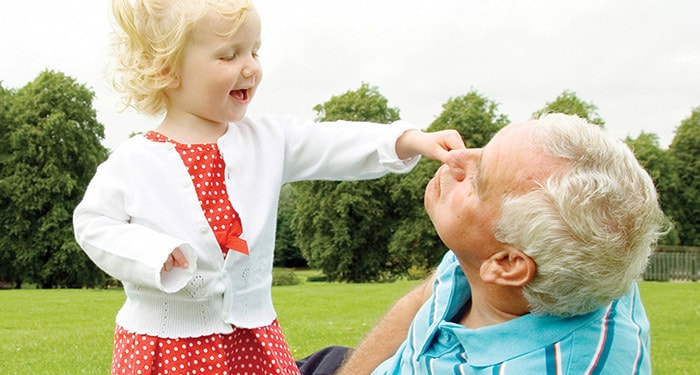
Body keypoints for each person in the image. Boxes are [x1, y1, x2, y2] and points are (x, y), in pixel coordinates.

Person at [73, 1, 465, 374]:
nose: (250, 69)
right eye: (229, 55)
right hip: (165, 344)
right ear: (166, 70)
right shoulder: (134, 161)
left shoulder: (266, 140)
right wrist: (152, 253)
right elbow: (92, 224)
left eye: (254, 52)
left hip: (253, 339)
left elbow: (332, 142)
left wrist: (411, 139)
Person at [297, 113, 668, 374]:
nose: (457, 158)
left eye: (479, 182)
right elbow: (427, 295)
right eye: (484, 151)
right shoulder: (582, 254)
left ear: (507, 265)